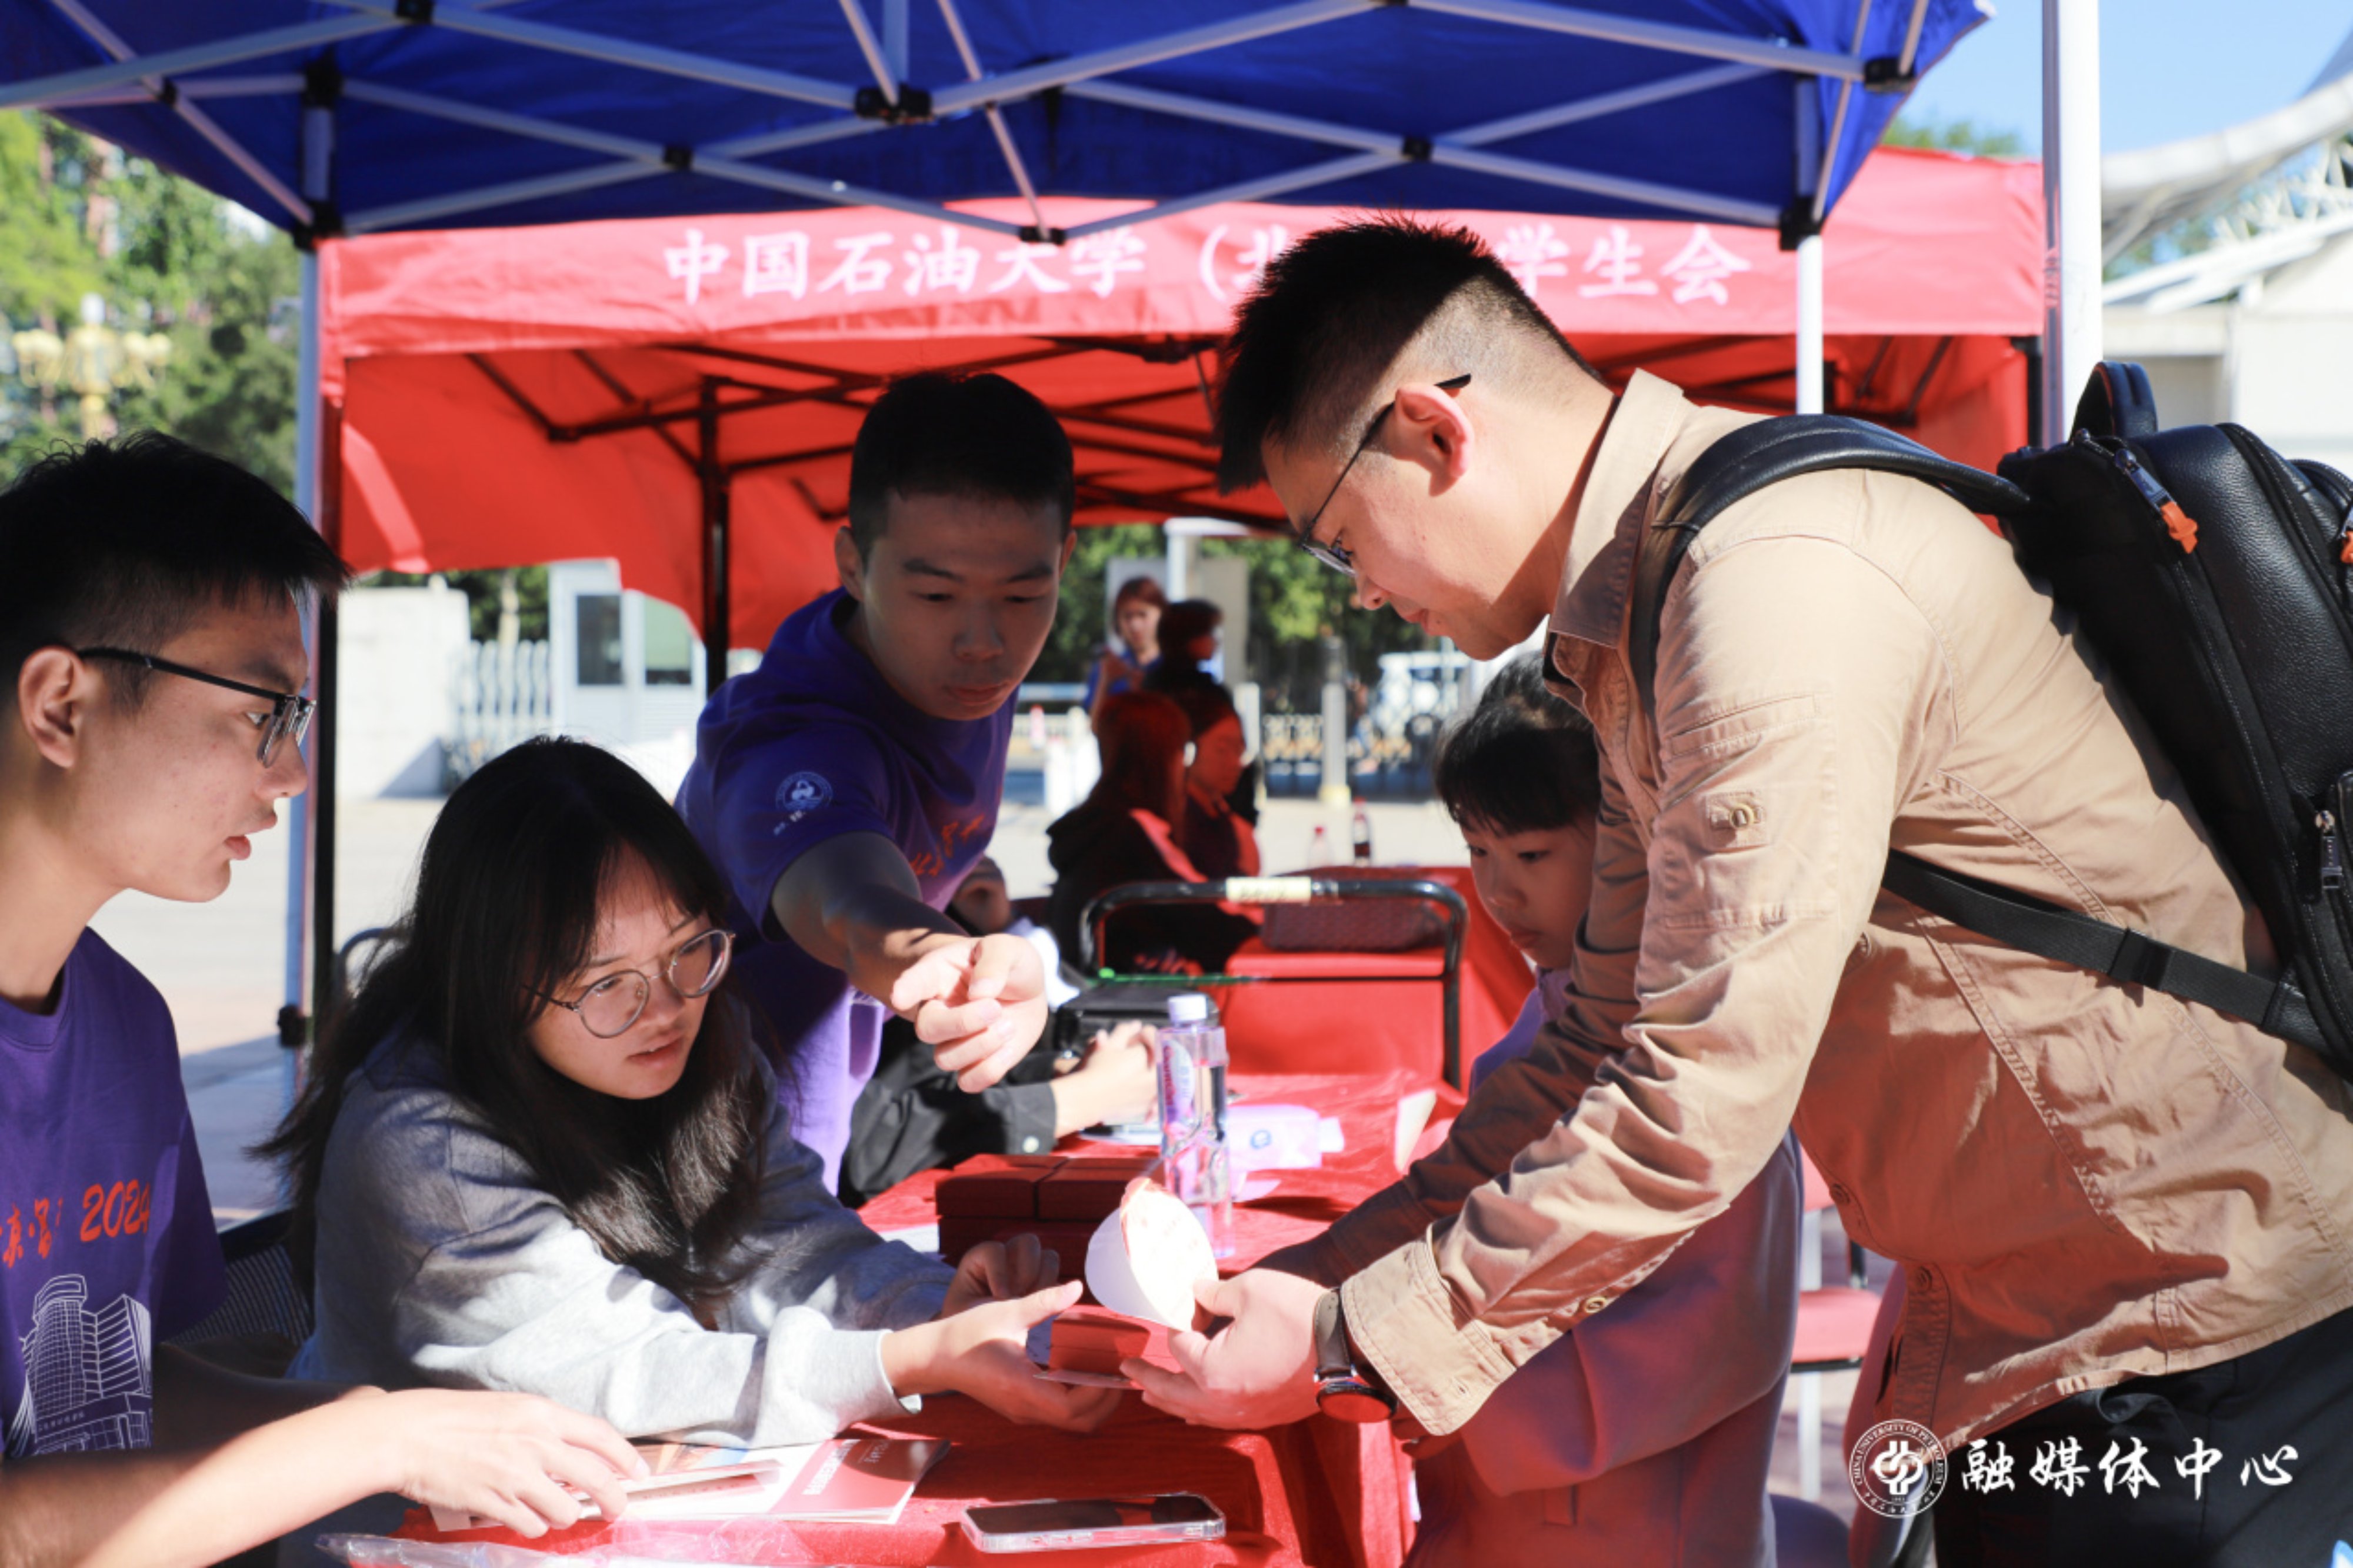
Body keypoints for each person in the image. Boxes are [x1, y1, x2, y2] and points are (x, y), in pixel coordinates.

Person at [1131, 217, 2353, 1566]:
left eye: (1337, 539)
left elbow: (1699, 1082)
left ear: (1431, 433)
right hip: (2062, 1313)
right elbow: (1590, 1042)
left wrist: (1352, 1340)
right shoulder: (1655, 598)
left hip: (2191, 1315)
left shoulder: (1763, 582)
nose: (1361, 590)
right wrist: (1308, 1286)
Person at [0, 435, 646, 1568]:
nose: (293, 772)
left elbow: (115, 1400)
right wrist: (370, 1441)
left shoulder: (128, 1027)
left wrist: (409, 1427)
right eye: (265, 711)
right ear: (62, 704)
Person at [272, 738, 1119, 1448]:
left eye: (688, 948)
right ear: (493, 981)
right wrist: (909, 1357)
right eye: (606, 981)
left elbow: (788, 1244)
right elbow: (621, 1371)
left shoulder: (709, 1036)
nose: (666, 1008)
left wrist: (942, 1310)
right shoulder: (421, 1139)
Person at [1172, 649, 1798, 1565]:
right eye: (1479, 853)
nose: (1499, 892)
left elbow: (1707, 1336)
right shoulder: (1561, 1005)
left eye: (1533, 854)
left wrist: (1405, 1370)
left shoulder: (1691, 1058)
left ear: (1631, 844)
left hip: (1640, 1528)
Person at [675, 372, 1077, 1190]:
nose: (982, 640)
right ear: (853, 566)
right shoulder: (791, 738)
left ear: (1063, 561)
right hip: (703, 1164)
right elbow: (854, 905)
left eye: (1023, 593)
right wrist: (953, 957)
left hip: (822, 1144)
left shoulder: (958, 679)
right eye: (935, 593)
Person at [840, 859, 1158, 1205]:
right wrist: (1078, 1098)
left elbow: (930, 1072)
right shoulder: (817, 951)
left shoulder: (958, 913)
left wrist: (1065, 1070)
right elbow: (864, 1149)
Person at [1047, 692, 1255, 976]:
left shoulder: (1100, 825)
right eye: (1183, 750)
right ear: (1165, 757)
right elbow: (1205, 918)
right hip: (1123, 993)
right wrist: (1269, 924)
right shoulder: (1133, 830)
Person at [1166, 682, 1259, 881]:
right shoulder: (1176, 820)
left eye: (1239, 750)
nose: (1235, 762)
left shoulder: (1222, 815)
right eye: (1222, 750)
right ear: (1189, 751)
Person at [1084, 574, 1164, 720]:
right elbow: (1096, 725)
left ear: (1162, 615)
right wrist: (1106, 681)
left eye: (1143, 615)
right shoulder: (1108, 669)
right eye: (1128, 616)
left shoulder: (1175, 669)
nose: (1135, 626)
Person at [1141, 598, 1222, 696]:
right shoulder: (1202, 692)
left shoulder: (1150, 683)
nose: (1215, 641)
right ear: (1187, 636)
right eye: (1209, 632)